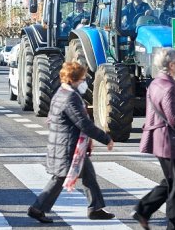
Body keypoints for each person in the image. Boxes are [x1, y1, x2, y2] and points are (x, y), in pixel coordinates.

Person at [27, 62, 115, 224]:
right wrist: (106, 139)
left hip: (68, 144)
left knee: (89, 175)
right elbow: (83, 123)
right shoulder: (70, 97)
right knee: (59, 178)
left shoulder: (61, 92)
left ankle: (95, 208)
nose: (84, 82)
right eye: (82, 79)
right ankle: (37, 208)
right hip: (67, 146)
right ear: (74, 80)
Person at [133, 47, 175, 230]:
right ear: (171, 65)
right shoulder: (169, 87)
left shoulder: (156, 83)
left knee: (172, 183)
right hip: (171, 142)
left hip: (162, 140)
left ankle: (143, 210)